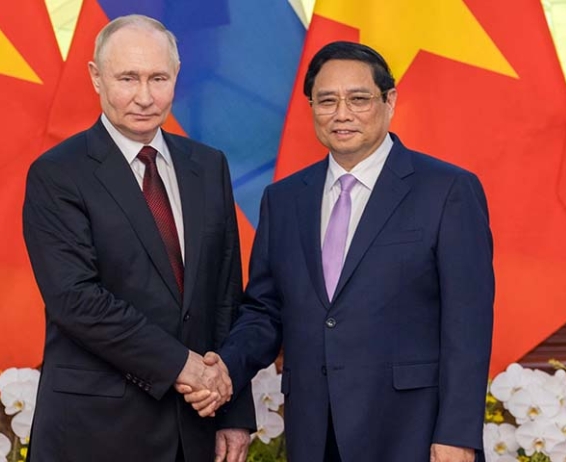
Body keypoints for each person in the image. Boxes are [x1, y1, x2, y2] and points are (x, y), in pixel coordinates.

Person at [183, 41, 494, 461]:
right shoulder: (284, 199)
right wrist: (224, 368)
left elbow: (468, 323)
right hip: (314, 429)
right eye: (327, 100)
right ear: (312, 107)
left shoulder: (447, 190)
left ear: (389, 101)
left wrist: (457, 434)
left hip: (412, 431)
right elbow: (264, 311)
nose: (342, 113)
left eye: (358, 99)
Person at [22, 14, 254, 462]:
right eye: (128, 78)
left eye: (158, 78)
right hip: (95, 433)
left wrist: (234, 412)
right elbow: (76, 300)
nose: (145, 97)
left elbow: (226, 296)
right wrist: (182, 365)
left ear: (176, 76)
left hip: (196, 427)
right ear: (96, 77)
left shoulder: (209, 166)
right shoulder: (57, 174)